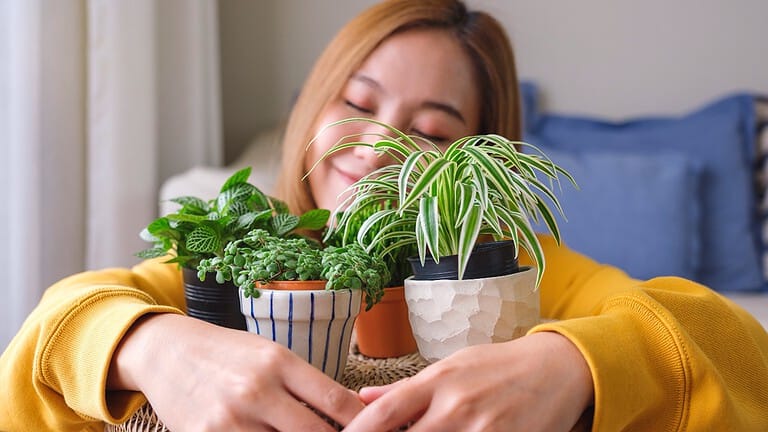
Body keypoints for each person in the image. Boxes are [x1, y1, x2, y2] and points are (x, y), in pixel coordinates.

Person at [2, 0, 767, 430]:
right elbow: (58, 325)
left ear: (479, 156)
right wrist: (155, 346)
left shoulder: (514, 268)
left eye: (433, 130)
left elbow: (729, 344)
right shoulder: (263, 242)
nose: (379, 142)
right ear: (314, 105)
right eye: (359, 103)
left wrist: (571, 363)